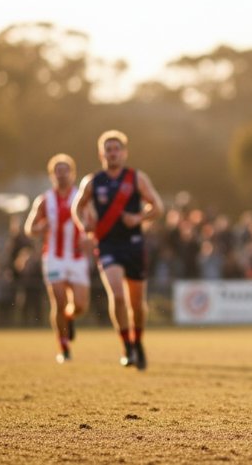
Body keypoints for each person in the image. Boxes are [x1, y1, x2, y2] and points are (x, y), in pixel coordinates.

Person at [73, 130, 164, 371]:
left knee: (136, 303)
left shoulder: (136, 178)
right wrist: (85, 225)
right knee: (118, 295)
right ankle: (126, 347)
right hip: (107, 245)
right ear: (101, 153)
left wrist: (139, 217)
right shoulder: (93, 181)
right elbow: (78, 206)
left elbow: (158, 206)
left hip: (134, 245)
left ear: (124, 153)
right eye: (108, 149)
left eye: (116, 149)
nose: (112, 153)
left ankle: (138, 341)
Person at [25, 154, 92, 363]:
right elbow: (29, 228)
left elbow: (93, 223)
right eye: (57, 171)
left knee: (80, 305)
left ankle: (69, 319)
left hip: (77, 256)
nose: (62, 175)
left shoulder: (81, 198)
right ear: (52, 175)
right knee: (59, 300)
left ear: (72, 173)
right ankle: (63, 347)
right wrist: (39, 227)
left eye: (65, 170)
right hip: (53, 256)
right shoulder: (45, 200)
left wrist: (90, 238)